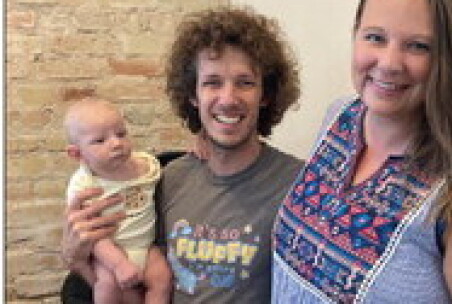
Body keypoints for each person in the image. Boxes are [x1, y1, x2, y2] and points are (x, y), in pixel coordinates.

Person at [272, 0, 452, 303]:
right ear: (355, 36)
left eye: (418, 46)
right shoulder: (339, 118)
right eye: (375, 37)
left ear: (448, 60)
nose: (390, 63)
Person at [61, 7, 303, 304]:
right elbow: (137, 285)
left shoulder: (299, 185)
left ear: (265, 95)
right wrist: (78, 261)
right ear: (193, 95)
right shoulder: (170, 178)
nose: (228, 99)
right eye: (212, 82)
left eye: (245, 83)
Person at [63, 97, 171, 304]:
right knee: (107, 287)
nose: (116, 143)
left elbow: (165, 175)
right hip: (110, 252)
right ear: (76, 153)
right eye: (100, 140)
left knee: (162, 280)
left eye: (121, 134)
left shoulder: (146, 166)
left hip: (146, 247)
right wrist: (119, 264)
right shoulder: (84, 185)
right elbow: (90, 234)